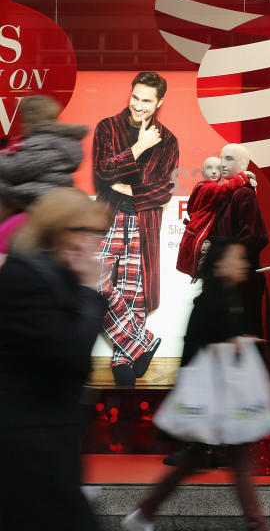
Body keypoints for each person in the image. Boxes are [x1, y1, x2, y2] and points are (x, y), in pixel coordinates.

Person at [122, 238, 269, 531]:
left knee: (197, 460)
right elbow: (199, 349)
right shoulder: (213, 303)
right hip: (216, 398)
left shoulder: (225, 298)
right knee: (235, 460)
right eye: (236, 258)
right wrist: (235, 343)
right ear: (219, 264)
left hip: (217, 398)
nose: (243, 264)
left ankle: (143, 514)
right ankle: (257, 525)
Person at [0, 188, 109, 531]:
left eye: (99, 233)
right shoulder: (26, 278)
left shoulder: (53, 277)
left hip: (50, 439)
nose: (95, 242)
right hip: (28, 443)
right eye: (86, 232)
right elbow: (72, 354)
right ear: (60, 231)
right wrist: (91, 291)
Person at [93, 71, 179, 385]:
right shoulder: (107, 127)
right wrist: (139, 147)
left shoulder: (168, 140)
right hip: (109, 217)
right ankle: (139, 343)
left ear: (159, 103)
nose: (138, 105)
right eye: (135, 97)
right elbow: (103, 173)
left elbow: (164, 189)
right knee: (93, 278)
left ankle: (123, 360)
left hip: (143, 221)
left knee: (135, 294)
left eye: (146, 101)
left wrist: (129, 187)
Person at [0, 94, 89, 253]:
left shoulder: (43, 140)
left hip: (39, 201)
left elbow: (17, 169)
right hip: (46, 199)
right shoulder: (62, 141)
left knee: (5, 240)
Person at [209, 143, 268, 339]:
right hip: (233, 283)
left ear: (244, 163)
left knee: (243, 337)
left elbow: (254, 236)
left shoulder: (244, 194)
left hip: (243, 285)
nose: (222, 163)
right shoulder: (230, 193)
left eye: (229, 159)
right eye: (222, 157)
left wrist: (227, 261)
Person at [176, 156, 256, 279]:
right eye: (209, 168)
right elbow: (226, 189)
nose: (214, 171)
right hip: (204, 238)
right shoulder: (207, 187)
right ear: (202, 173)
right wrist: (242, 176)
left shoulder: (208, 188)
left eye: (218, 168)